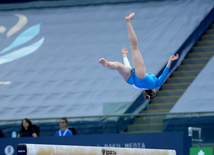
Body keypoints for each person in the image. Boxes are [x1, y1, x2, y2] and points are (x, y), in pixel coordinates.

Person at [99, 13, 179, 100]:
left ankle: (128, 21)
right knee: (118, 65)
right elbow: (129, 69)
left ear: (153, 91)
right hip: (130, 80)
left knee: (134, 47)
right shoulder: (137, 87)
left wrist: (170, 61)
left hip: (140, 75)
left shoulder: (155, 84)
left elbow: (164, 74)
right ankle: (107, 63)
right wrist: (124, 56)